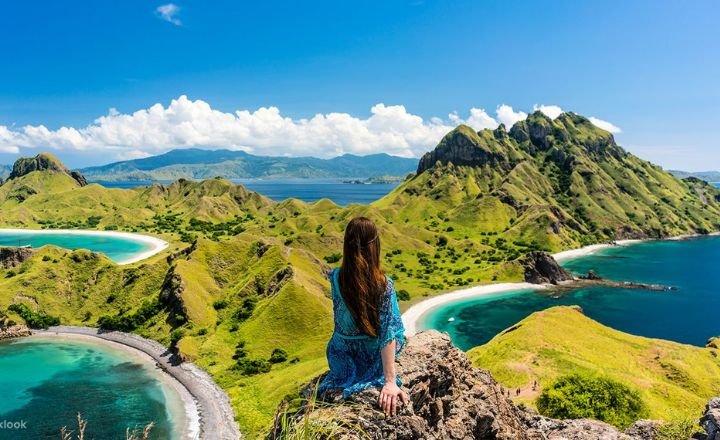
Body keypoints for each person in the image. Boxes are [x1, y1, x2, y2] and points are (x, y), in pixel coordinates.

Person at [318, 217, 408, 416]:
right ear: (375, 246)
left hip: (340, 355)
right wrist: (390, 381)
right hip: (369, 356)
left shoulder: (335, 277)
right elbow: (388, 333)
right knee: (397, 331)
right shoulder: (384, 285)